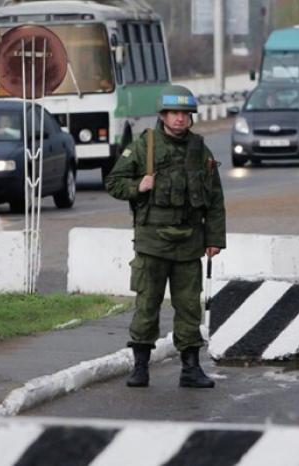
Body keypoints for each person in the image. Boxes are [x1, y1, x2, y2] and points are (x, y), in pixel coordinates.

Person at [105, 85, 226, 389]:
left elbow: (214, 198)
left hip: (189, 243)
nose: (179, 119)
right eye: (174, 113)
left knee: (188, 307)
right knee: (148, 305)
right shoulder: (144, 146)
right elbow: (114, 182)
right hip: (152, 243)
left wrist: (215, 239)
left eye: (185, 114)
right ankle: (141, 366)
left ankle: (191, 368)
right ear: (162, 115)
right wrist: (138, 187)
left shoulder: (200, 150)